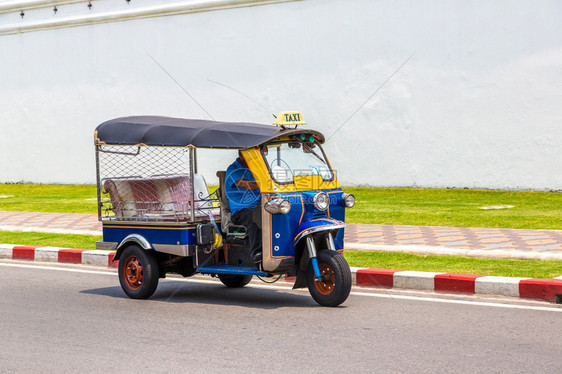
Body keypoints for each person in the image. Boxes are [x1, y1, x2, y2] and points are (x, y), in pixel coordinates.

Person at [224, 152, 262, 265]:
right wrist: (266, 184)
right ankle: (258, 254)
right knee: (255, 217)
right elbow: (245, 184)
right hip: (240, 212)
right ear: (242, 155)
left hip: (259, 205)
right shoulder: (233, 169)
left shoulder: (257, 167)